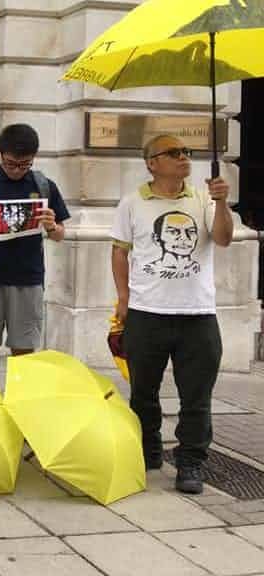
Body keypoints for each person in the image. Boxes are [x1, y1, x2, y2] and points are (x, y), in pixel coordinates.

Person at [111, 134, 233, 494]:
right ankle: (148, 450)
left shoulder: (204, 199)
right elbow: (119, 252)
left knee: (196, 395)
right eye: (173, 152)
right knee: (142, 392)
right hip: (147, 313)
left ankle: (191, 461)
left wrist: (222, 203)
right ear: (151, 163)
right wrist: (123, 297)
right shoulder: (132, 202)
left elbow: (223, 239)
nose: (183, 157)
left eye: (187, 152)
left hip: (197, 313)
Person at [0, 123, 69, 375]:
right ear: (0, 155)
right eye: (10, 163)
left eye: (24, 164)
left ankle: (20, 409)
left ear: (33, 159)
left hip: (28, 280)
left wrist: (51, 225)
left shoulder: (44, 186)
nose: (17, 170)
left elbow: (60, 234)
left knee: (24, 353)